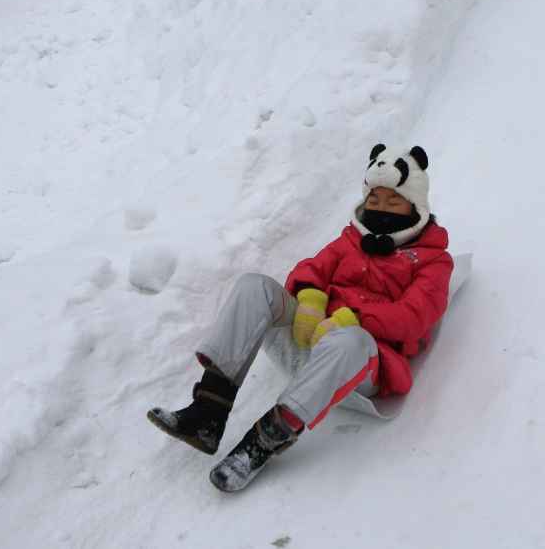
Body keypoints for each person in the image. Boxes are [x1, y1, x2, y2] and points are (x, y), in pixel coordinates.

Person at [147, 143, 454, 491]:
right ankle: (207, 413)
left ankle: (261, 443)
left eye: (393, 201)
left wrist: (349, 319)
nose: (381, 208)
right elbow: (311, 269)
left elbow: (413, 317)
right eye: (374, 200)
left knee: (350, 341)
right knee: (255, 287)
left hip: (362, 360)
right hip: (312, 334)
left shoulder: (434, 261)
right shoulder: (352, 239)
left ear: (415, 206)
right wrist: (309, 300)